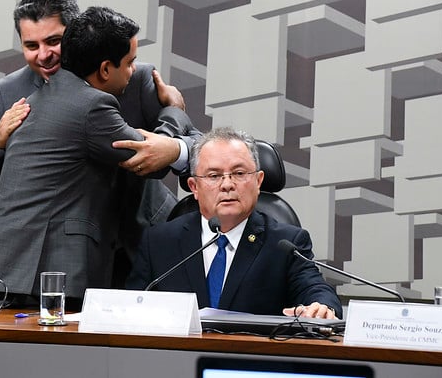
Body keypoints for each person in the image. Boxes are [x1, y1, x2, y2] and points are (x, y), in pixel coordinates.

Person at [0, 0, 198, 288]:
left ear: (76, 34)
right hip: (64, 256)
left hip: (138, 240)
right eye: (31, 45)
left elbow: (198, 144)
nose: (44, 54)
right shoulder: (10, 91)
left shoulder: (133, 75)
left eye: (54, 41)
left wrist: (174, 148)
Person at [126, 127, 342, 319]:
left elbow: (316, 289)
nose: (227, 185)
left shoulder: (286, 244)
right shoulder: (159, 241)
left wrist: (321, 306)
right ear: (194, 187)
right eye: (214, 175)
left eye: (239, 173)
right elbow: (130, 308)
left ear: (258, 181)